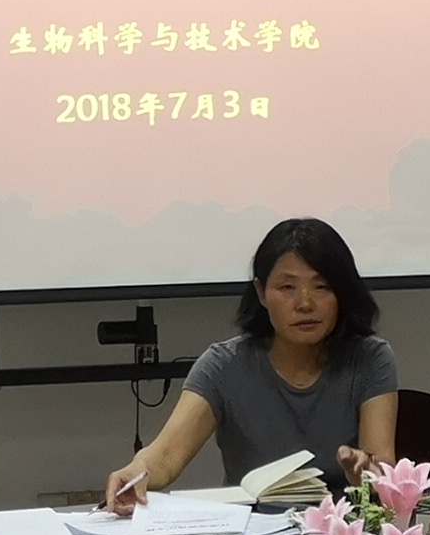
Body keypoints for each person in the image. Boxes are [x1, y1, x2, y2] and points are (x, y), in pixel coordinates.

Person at [103, 217, 401, 510]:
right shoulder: (223, 366)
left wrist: (366, 473)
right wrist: (137, 470)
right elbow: (167, 454)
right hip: (249, 529)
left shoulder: (370, 359)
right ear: (261, 292)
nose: (305, 303)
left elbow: (380, 465)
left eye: (321, 286)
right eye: (287, 288)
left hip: (338, 530)